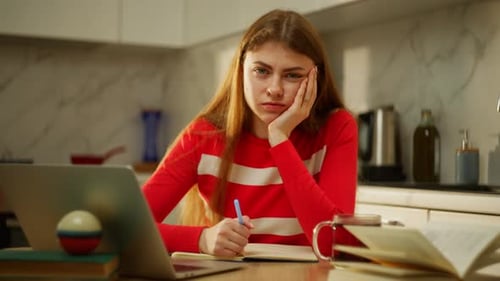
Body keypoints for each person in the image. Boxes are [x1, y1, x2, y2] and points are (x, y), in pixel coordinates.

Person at [142, 9, 358, 257]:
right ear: (241, 70)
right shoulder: (203, 136)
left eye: (292, 75)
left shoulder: (337, 127)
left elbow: (335, 243)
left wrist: (279, 139)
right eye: (262, 71)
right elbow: (126, 228)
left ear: (315, 79)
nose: (274, 89)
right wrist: (202, 239)